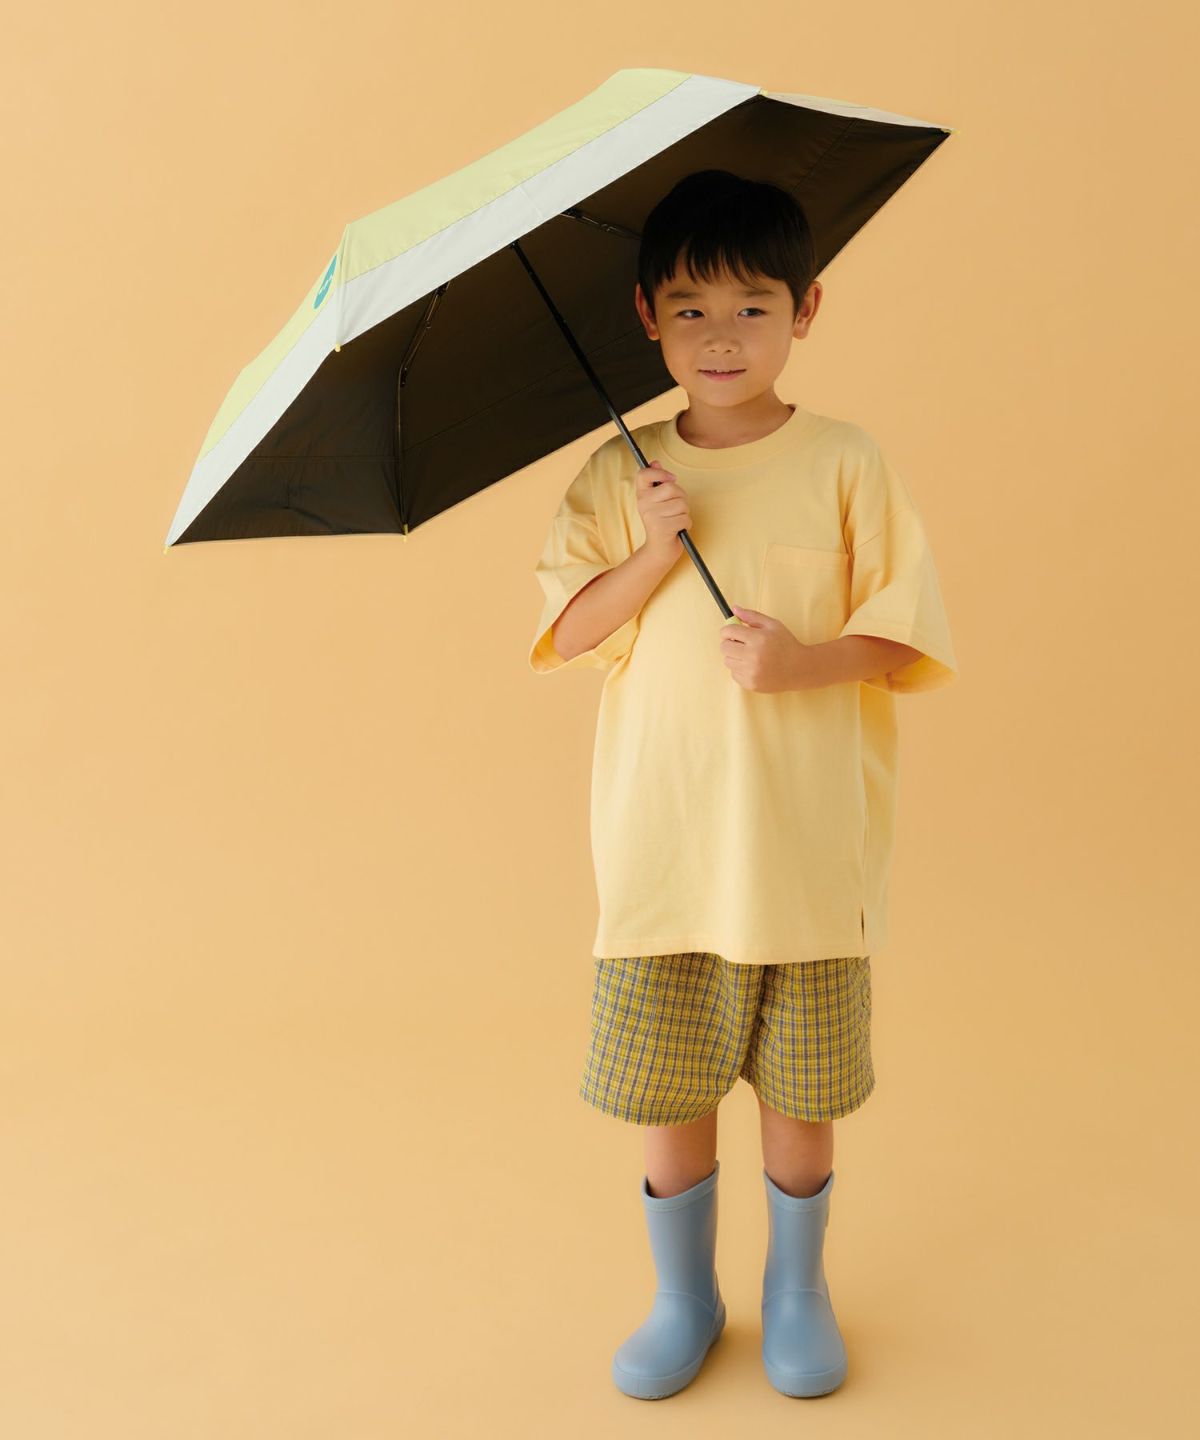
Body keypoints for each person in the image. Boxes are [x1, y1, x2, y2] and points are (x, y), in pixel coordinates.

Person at [526, 169, 958, 1401]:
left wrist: (802, 662)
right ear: (646, 317)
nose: (722, 338)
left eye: (753, 309)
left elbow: (905, 633)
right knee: (668, 1091)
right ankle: (684, 1294)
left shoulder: (846, 462)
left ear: (806, 310)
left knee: (802, 1096)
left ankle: (797, 1290)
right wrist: (655, 549)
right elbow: (567, 631)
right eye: (691, 310)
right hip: (665, 853)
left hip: (806, 851)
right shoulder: (618, 476)